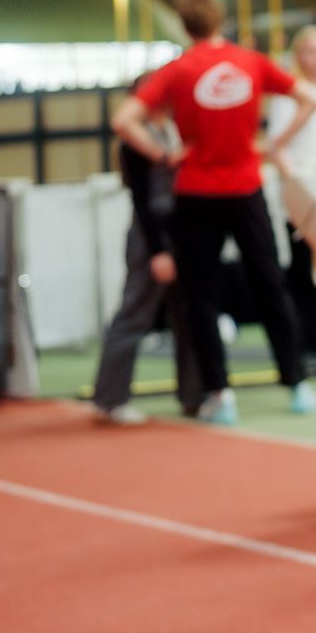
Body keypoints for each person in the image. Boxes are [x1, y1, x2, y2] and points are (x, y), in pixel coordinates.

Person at [111, 0, 316, 426]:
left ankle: (219, 394)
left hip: (197, 193)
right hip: (246, 188)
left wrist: (163, 155)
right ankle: (297, 382)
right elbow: (311, 98)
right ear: (220, 19)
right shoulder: (251, 61)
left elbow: (123, 120)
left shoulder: (177, 71)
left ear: (184, 25)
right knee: (270, 284)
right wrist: (272, 146)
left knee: (201, 296)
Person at [88, 84, 202, 424]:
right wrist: (158, 250)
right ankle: (110, 399)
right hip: (150, 237)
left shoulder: (172, 131)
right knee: (135, 312)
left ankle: (195, 395)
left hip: (181, 231)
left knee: (190, 314)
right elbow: (142, 201)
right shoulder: (134, 142)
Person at [267, 24, 316, 373]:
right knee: (301, 273)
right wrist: (294, 187)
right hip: (301, 193)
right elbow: (276, 146)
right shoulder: (289, 96)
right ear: (299, 55)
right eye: (310, 51)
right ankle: (302, 348)